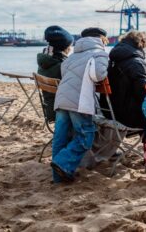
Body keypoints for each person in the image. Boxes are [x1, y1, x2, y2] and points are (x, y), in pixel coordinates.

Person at [51, 27, 109, 183]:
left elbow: (65, 73)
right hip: (79, 101)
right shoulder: (99, 54)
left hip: (62, 99)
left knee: (60, 137)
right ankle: (62, 163)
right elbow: (97, 75)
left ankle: (58, 177)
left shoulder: (72, 56)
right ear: (101, 39)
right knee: (85, 136)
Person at [100, 31, 146, 138]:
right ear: (141, 43)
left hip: (109, 113)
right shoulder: (136, 61)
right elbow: (142, 93)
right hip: (127, 117)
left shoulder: (112, 60)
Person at [37, 25, 74, 122]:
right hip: (62, 110)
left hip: (49, 108)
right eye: (70, 45)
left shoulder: (44, 62)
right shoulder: (62, 65)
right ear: (65, 48)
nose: (71, 48)